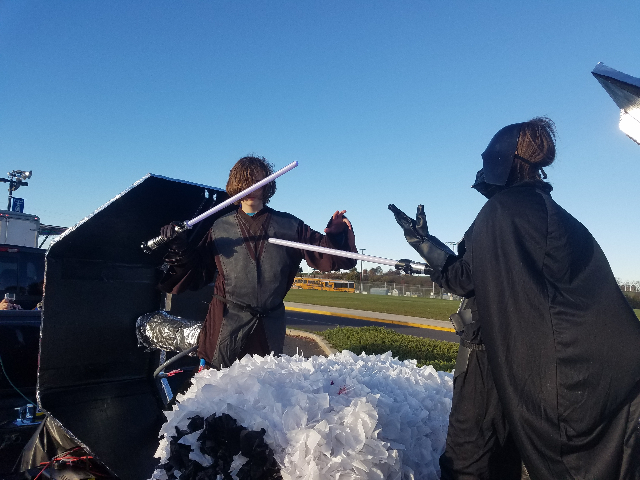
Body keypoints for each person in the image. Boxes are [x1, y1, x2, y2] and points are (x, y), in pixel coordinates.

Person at [391, 117, 640, 479]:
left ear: (502, 160)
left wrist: (421, 243)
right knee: (506, 454)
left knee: (469, 458)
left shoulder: (500, 211)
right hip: (530, 368)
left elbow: (464, 278)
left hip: (488, 358)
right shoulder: (557, 216)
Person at [159, 155, 357, 370]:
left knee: (263, 384)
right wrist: (179, 244)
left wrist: (336, 234)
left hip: (268, 326)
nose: (252, 186)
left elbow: (326, 255)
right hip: (225, 324)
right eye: (245, 181)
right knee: (216, 384)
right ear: (236, 185)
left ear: (267, 184)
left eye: (257, 180)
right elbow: (196, 271)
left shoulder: (289, 225)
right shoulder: (219, 227)